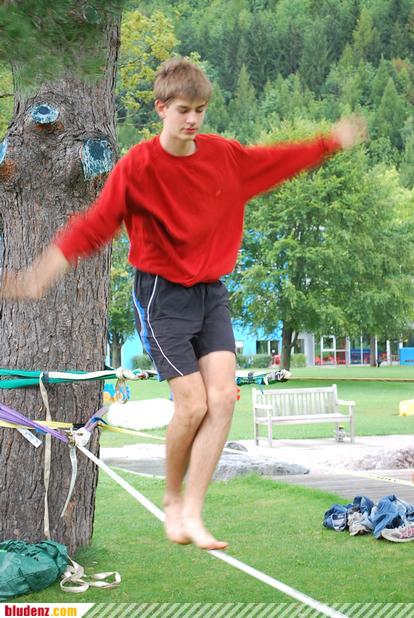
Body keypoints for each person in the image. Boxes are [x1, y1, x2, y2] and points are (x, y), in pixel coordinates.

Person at [0, 57, 367, 550]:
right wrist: (35, 278)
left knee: (224, 398)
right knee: (192, 404)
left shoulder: (224, 158)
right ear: (161, 108)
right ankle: (172, 501)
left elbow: (276, 161)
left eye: (199, 110)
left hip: (211, 293)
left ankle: (193, 509)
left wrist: (329, 143)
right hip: (161, 295)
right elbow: (92, 227)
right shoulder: (138, 168)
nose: (192, 120)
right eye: (183, 110)